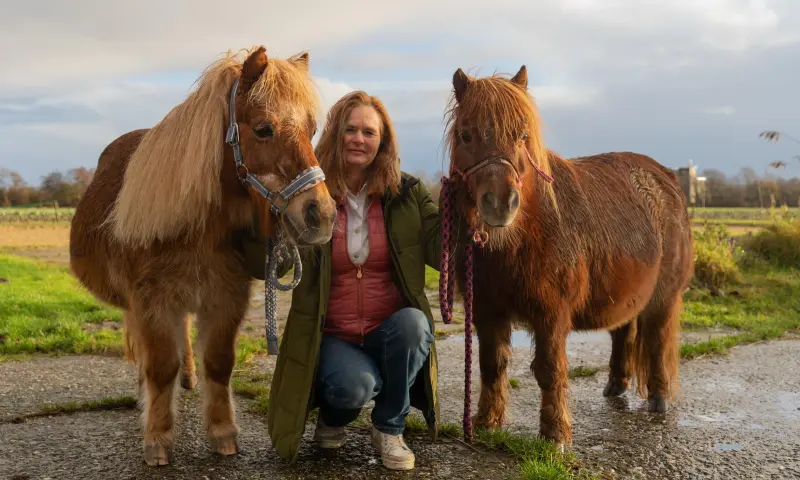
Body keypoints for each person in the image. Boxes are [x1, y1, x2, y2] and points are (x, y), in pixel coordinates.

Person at [244, 91, 441, 471]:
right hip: (333, 335)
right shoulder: (308, 195)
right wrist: (263, 218)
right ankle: (334, 417)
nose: (358, 139)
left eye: (369, 132)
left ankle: (389, 428)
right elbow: (270, 266)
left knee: (415, 325)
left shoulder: (407, 194)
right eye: (350, 129)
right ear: (335, 133)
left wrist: (463, 209)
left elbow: (441, 250)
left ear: (382, 141)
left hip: (388, 329)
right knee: (354, 387)